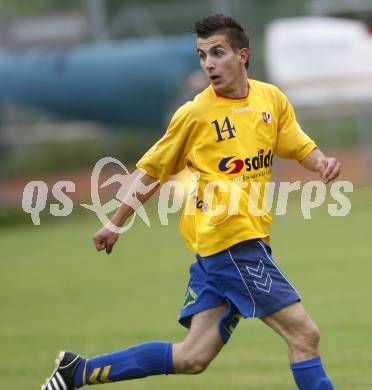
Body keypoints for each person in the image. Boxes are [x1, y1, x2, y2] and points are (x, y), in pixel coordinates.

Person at [42, 14, 340, 390]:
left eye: (217, 53)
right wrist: (115, 222)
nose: (209, 64)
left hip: (233, 249)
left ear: (242, 55)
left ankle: (78, 371)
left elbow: (294, 141)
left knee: (192, 357)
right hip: (232, 245)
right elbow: (152, 173)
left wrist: (321, 162)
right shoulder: (194, 114)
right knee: (304, 335)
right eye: (202, 55)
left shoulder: (270, 99)